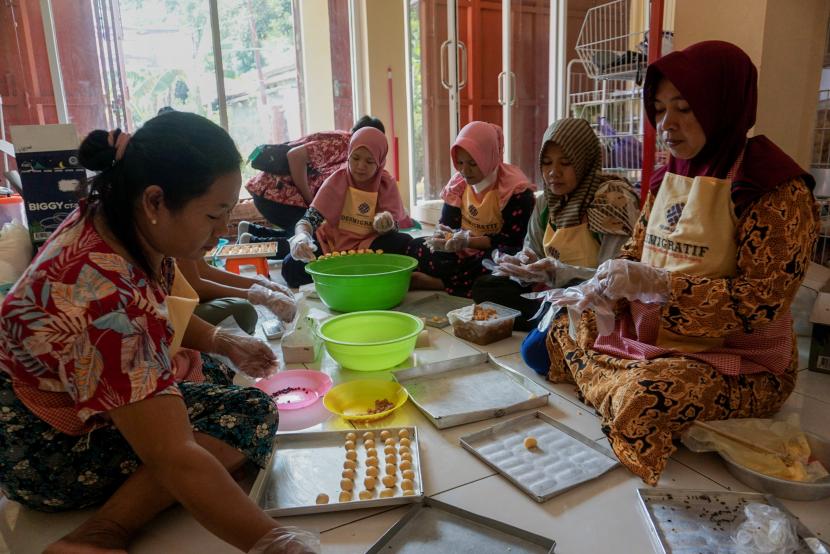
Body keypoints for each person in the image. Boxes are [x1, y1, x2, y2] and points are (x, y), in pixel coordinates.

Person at [0, 112, 318, 553]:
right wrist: (274, 542)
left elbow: (159, 313)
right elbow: (174, 455)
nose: (222, 232)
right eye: (213, 215)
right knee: (249, 414)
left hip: (47, 405)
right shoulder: (102, 293)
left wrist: (223, 341)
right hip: (45, 454)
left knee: (209, 369)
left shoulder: (119, 220)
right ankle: (99, 533)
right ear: (154, 201)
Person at [540, 41, 818, 486]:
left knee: (647, 398)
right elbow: (635, 251)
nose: (666, 124)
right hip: (653, 335)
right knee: (561, 326)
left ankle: (621, 386)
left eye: (684, 108)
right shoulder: (670, 175)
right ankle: (623, 379)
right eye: (659, 108)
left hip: (732, 357)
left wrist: (661, 286)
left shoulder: (772, 189)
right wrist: (605, 285)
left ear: (722, 105)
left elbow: (759, 304)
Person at [476, 118, 638, 376]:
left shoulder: (610, 201)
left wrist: (556, 272)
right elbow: (533, 249)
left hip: (597, 301)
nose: (554, 172)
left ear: (585, 160)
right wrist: (523, 262)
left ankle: (548, 324)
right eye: (547, 162)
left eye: (566, 162)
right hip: (555, 290)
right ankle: (544, 320)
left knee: (536, 354)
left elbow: (613, 283)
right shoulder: (547, 201)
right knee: (485, 288)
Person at [407, 121, 535, 297]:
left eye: (473, 164)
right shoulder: (458, 184)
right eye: (460, 162)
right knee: (415, 246)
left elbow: (511, 241)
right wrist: (443, 237)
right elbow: (447, 224)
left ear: (489, 157)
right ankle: (459, 281)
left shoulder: (515, 190)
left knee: (502, 265)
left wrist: (469, 241)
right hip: (459, 252)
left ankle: (441, 283)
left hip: (490, 252)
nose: (464, 170)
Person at [283, 127, 413, 288]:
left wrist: (387, 225)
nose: (360, 166)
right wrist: (302, 237)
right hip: (332, 247)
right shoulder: (337, 180)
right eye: (355, 158)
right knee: (290, 267)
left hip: (369, 245)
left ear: (380, 161)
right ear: (348, 155)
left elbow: (395, 228)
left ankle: (343, 272)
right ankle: (361, 271)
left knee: (405, 243)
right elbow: (309, 220)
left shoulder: (386, 183)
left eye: (369, 161)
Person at [243, 115, 386, 235]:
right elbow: (294, 156)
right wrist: (310, 201)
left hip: (273, 192)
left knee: (307, 234)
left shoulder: (346, 144)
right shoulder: (342, 143)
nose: (362, 164)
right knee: (314, 236)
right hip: (274, 193)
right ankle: (252, 236)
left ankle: (250, 232)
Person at [177, 258, 296, 335]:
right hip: (174, 311)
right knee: (243, 312)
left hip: (186, 300)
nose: (223, 231)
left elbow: (202, 270)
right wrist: (254, 294)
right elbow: (194, 288)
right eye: (212, 217)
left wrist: (263, 285)